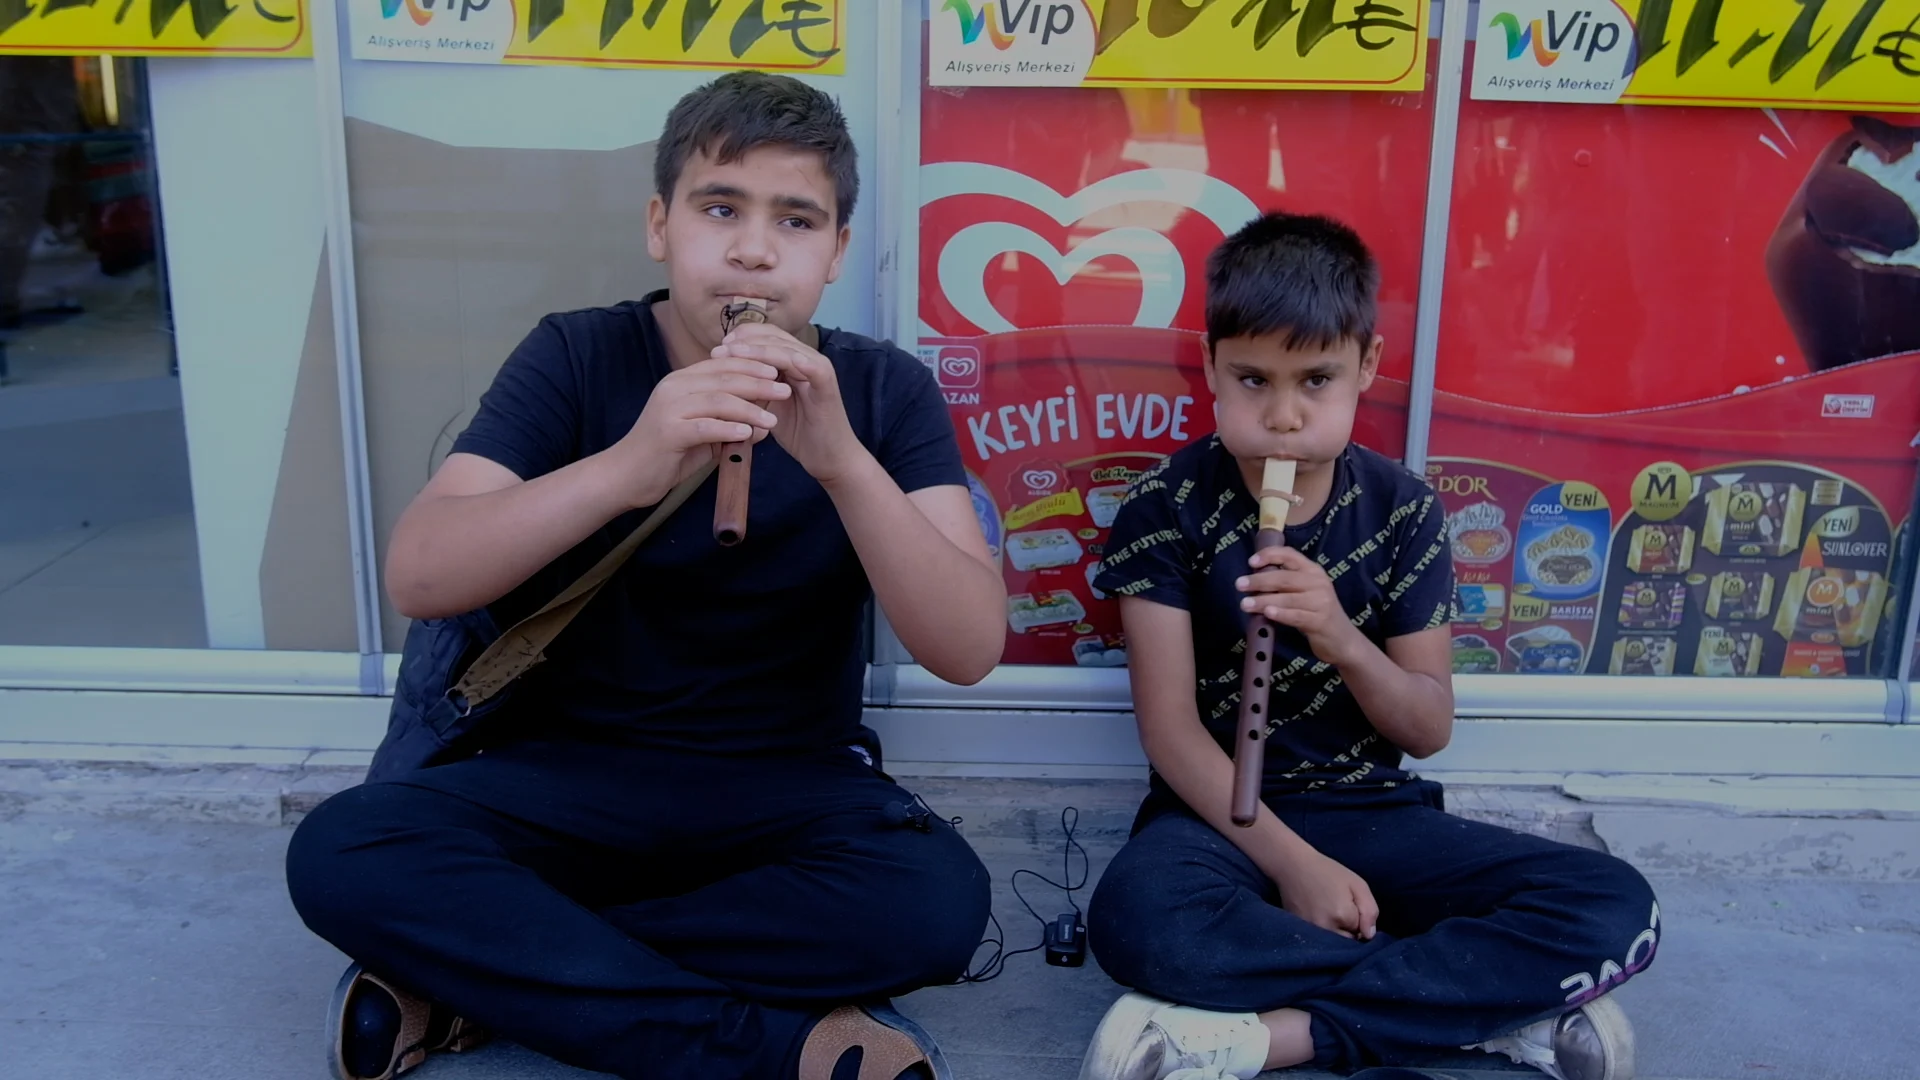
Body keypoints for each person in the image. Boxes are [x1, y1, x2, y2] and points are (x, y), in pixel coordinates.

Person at [285, 72, 1006, 1080]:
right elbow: (421, 571)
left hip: (784, 788)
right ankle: (770, 1047)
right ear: (661, 224)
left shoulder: (883, 391)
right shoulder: (577, 354)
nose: (754, 248)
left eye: (795, 219)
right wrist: (632, 463)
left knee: (936, 904)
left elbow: (968, 646)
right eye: (721, 208)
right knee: (342, 852)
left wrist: (841, 460)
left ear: (837, 251)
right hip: (565, 777)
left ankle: (485, 965)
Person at [1077, 212, 1659, 1080]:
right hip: (1216, 820)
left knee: (1615, 902)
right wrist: (1300, 868)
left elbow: (1427, 729)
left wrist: (1340, 636)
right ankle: (1487, 1005)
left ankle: (1267, 1039)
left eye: (1316, 379)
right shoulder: (1166, 507)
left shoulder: (1403, 510)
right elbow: (1168, 733)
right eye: (1251, 379)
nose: (1282, 416)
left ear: (1369, 367)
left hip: (1372, 812)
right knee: (1137, 916)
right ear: (1208, 366)